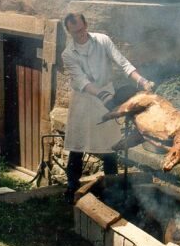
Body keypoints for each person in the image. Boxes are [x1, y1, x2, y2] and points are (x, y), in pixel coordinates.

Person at [62, 13, 154, 200]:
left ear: (86, 25)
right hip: (83, 100)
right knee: (77, 146)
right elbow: (81, 80)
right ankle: (72, 187)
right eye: (74, 33)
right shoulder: (68, 54)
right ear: (69, 32)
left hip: (106, 95)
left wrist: (142, 81)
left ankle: (112, 188)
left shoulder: (102, 40)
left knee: (110, 146)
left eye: (81, 30)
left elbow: (122, 62)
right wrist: (102, 95)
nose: (79, 35)